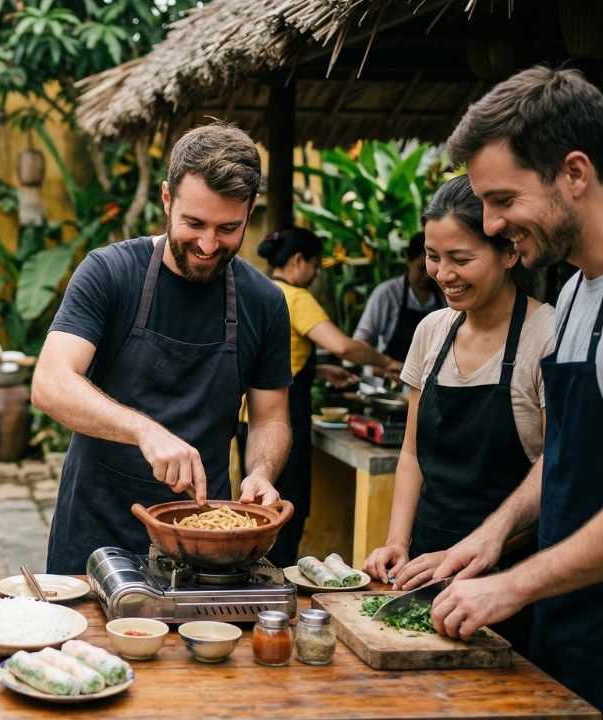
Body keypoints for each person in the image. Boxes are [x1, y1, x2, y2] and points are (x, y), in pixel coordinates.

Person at [419, 66, 603, 709]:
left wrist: (511, 586)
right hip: (567, 629)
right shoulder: (579, 293)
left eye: (502, 199)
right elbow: (566, 457)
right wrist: (493, 535)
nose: (491, 224)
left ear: (574, 174)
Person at [32, 123, 290, 575]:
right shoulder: (110, 273)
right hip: (96, 532)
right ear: (168, 200)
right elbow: (51, 383)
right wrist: (145, 432)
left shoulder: (264, 302)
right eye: (195, 224)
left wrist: (262, 472)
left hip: (205, 540)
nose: (209, 245)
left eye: (228, 228)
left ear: (249, 213)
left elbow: (270, 417)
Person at [361, 175, 554, 653]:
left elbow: (556, 470)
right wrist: (397, 544)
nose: (442, 274)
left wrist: (471, 555)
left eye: (461, 259)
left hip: (509, 579)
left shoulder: (546, 335)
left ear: (509, 252)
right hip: (426, 569)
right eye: (433, 256)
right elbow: (411, 454)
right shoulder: (431, 331)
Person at [256, 228, 403, 566]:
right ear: (298, 261)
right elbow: (342, 346)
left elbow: (274, 359)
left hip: (250, 416)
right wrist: (386, 363)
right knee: (287, 506)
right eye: (315, 265)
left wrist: (320, 372)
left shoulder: (262, 290)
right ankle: (278, 580)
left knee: (260, 506)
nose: (317, 273)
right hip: (283, 419)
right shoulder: (296, 297)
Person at [354, 232, 444, 361]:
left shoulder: (444, 295)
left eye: (434, 270)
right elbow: (361, 339)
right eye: (422, 268)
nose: (427, 276)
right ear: (408, 261)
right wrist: (381, 365)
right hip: (393, 374)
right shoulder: (387, 294)